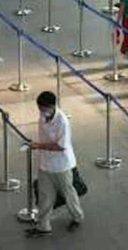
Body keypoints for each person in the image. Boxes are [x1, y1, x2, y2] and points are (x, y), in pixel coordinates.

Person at [25, 91, 84, 238]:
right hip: (45, 164)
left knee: (68, 193)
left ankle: (77, 217)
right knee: (45, 195)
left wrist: (38, 146)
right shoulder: (43, 116)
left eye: (43, 109)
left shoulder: (62, 121)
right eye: (40, 109)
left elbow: (60, 146)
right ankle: (43, 226)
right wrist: (38, 146)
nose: (41, 112)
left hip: (61, 165)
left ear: (51, 106)